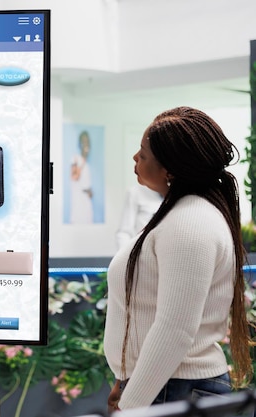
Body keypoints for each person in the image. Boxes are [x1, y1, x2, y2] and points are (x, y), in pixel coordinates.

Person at [104, 107, 253, 412]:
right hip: (166, 385)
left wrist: (133, 404)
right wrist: (125, 378)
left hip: (174, 387)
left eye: (143, 154)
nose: (135, 158)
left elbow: (175, 329)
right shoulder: (181, 216)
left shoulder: (189, 223)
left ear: (169, 169)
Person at [115, 184, 163, 250]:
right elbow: (124, 232)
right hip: (142, 252)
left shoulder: (178, 195)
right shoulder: (135, 192)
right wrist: (127, 258)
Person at [70, 130, 93, 223]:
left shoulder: (87, 164)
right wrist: (83, 160)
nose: (85, 144)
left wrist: (90, 192)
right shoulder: (75, 158)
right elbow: (75, 176)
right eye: (83, 141)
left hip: (86, 200)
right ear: (80, 143)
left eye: (87, 141)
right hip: (78, 200)